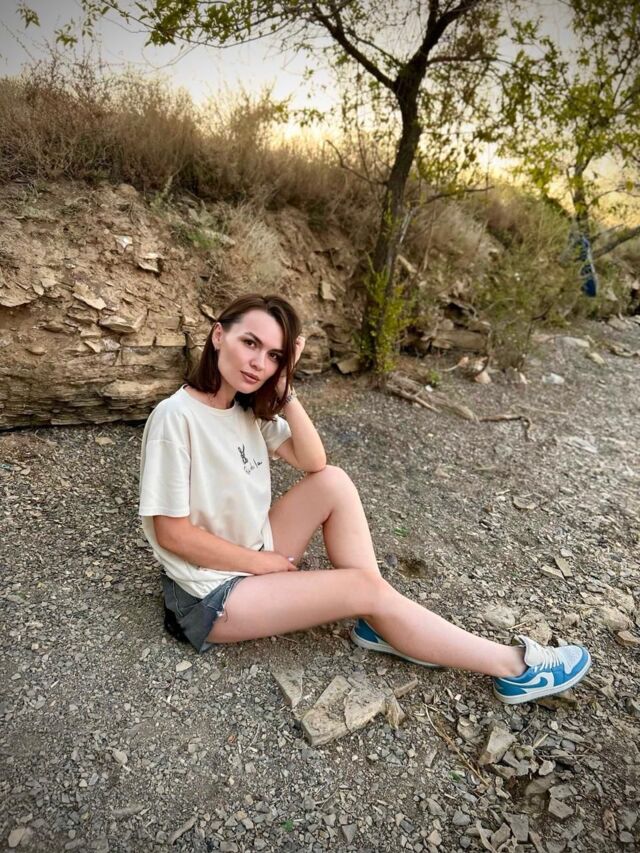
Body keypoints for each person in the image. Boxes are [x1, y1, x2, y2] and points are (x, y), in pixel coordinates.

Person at [138, 293, 592, 705]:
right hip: (208, 596)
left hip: (248, 552)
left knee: (333, 482)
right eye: (250, 343)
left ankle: (380, 621)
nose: (259, 363)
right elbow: (172, 534)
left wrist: (286, 389)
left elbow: (313, 461)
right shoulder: (176, 417)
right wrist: (263, 564)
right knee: (363, 587)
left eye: (274, 355)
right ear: (219, 336)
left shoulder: (244, 407)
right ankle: (515, 668)